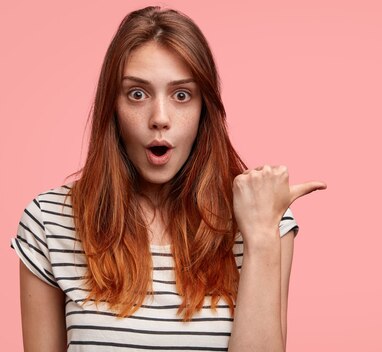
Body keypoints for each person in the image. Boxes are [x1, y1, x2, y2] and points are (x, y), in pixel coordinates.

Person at [10, 5, 326, 352]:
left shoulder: (263, 217)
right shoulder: (49, 222)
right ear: (111, 107)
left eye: (181, 95)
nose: (159, 118)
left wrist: (262, 235)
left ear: (204, 108)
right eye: (137, 94)